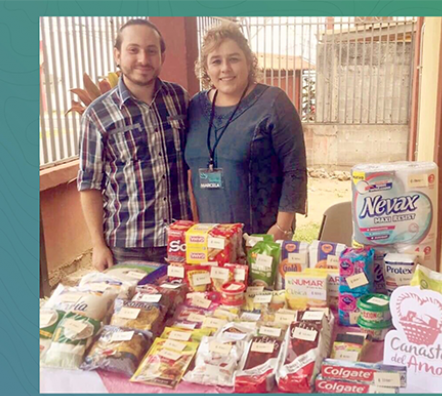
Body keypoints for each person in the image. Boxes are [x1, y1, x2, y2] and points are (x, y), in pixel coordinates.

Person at [77, 19, 191, 271]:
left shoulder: (180, 99)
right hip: (128, 246)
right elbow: (89, 185)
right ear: (117, 55)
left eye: (152, 50)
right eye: (133, 49)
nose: (143, 58)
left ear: (162, 55)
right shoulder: (97, 115)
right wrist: (98, 245)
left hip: (183, 240)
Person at [185, 23, 307, 240]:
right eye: (216, 61)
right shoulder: (195, 107)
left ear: (249, 61)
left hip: (262, 238)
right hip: (209, 241)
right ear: (206, 67)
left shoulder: (273, 103)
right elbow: (190, 171)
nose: (225, 68)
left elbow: (295, 170)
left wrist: (282, 228)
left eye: (234, 58)